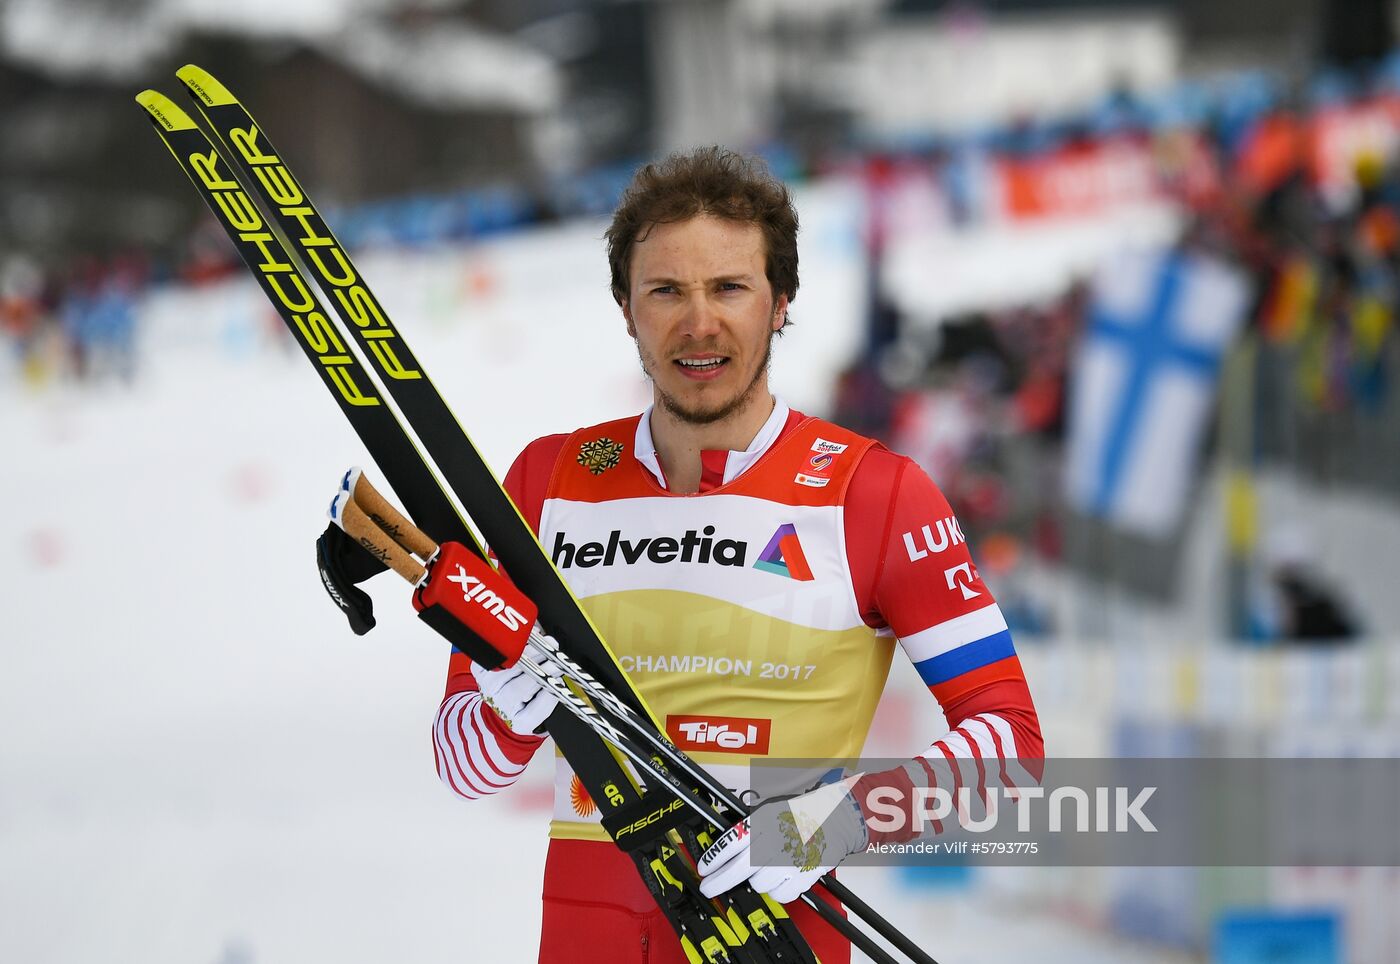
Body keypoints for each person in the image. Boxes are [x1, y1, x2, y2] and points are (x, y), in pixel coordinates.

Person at [430, 147, 1043, 963]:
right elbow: (459, 763)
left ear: (779, 302)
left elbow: (1010, 747)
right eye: (666, 291)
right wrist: (511, 708)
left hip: (772, 942)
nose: (698, 323)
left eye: (729, 288)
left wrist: (829, 824)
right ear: (626, 307)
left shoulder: (874, 495)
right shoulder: (549, 481)